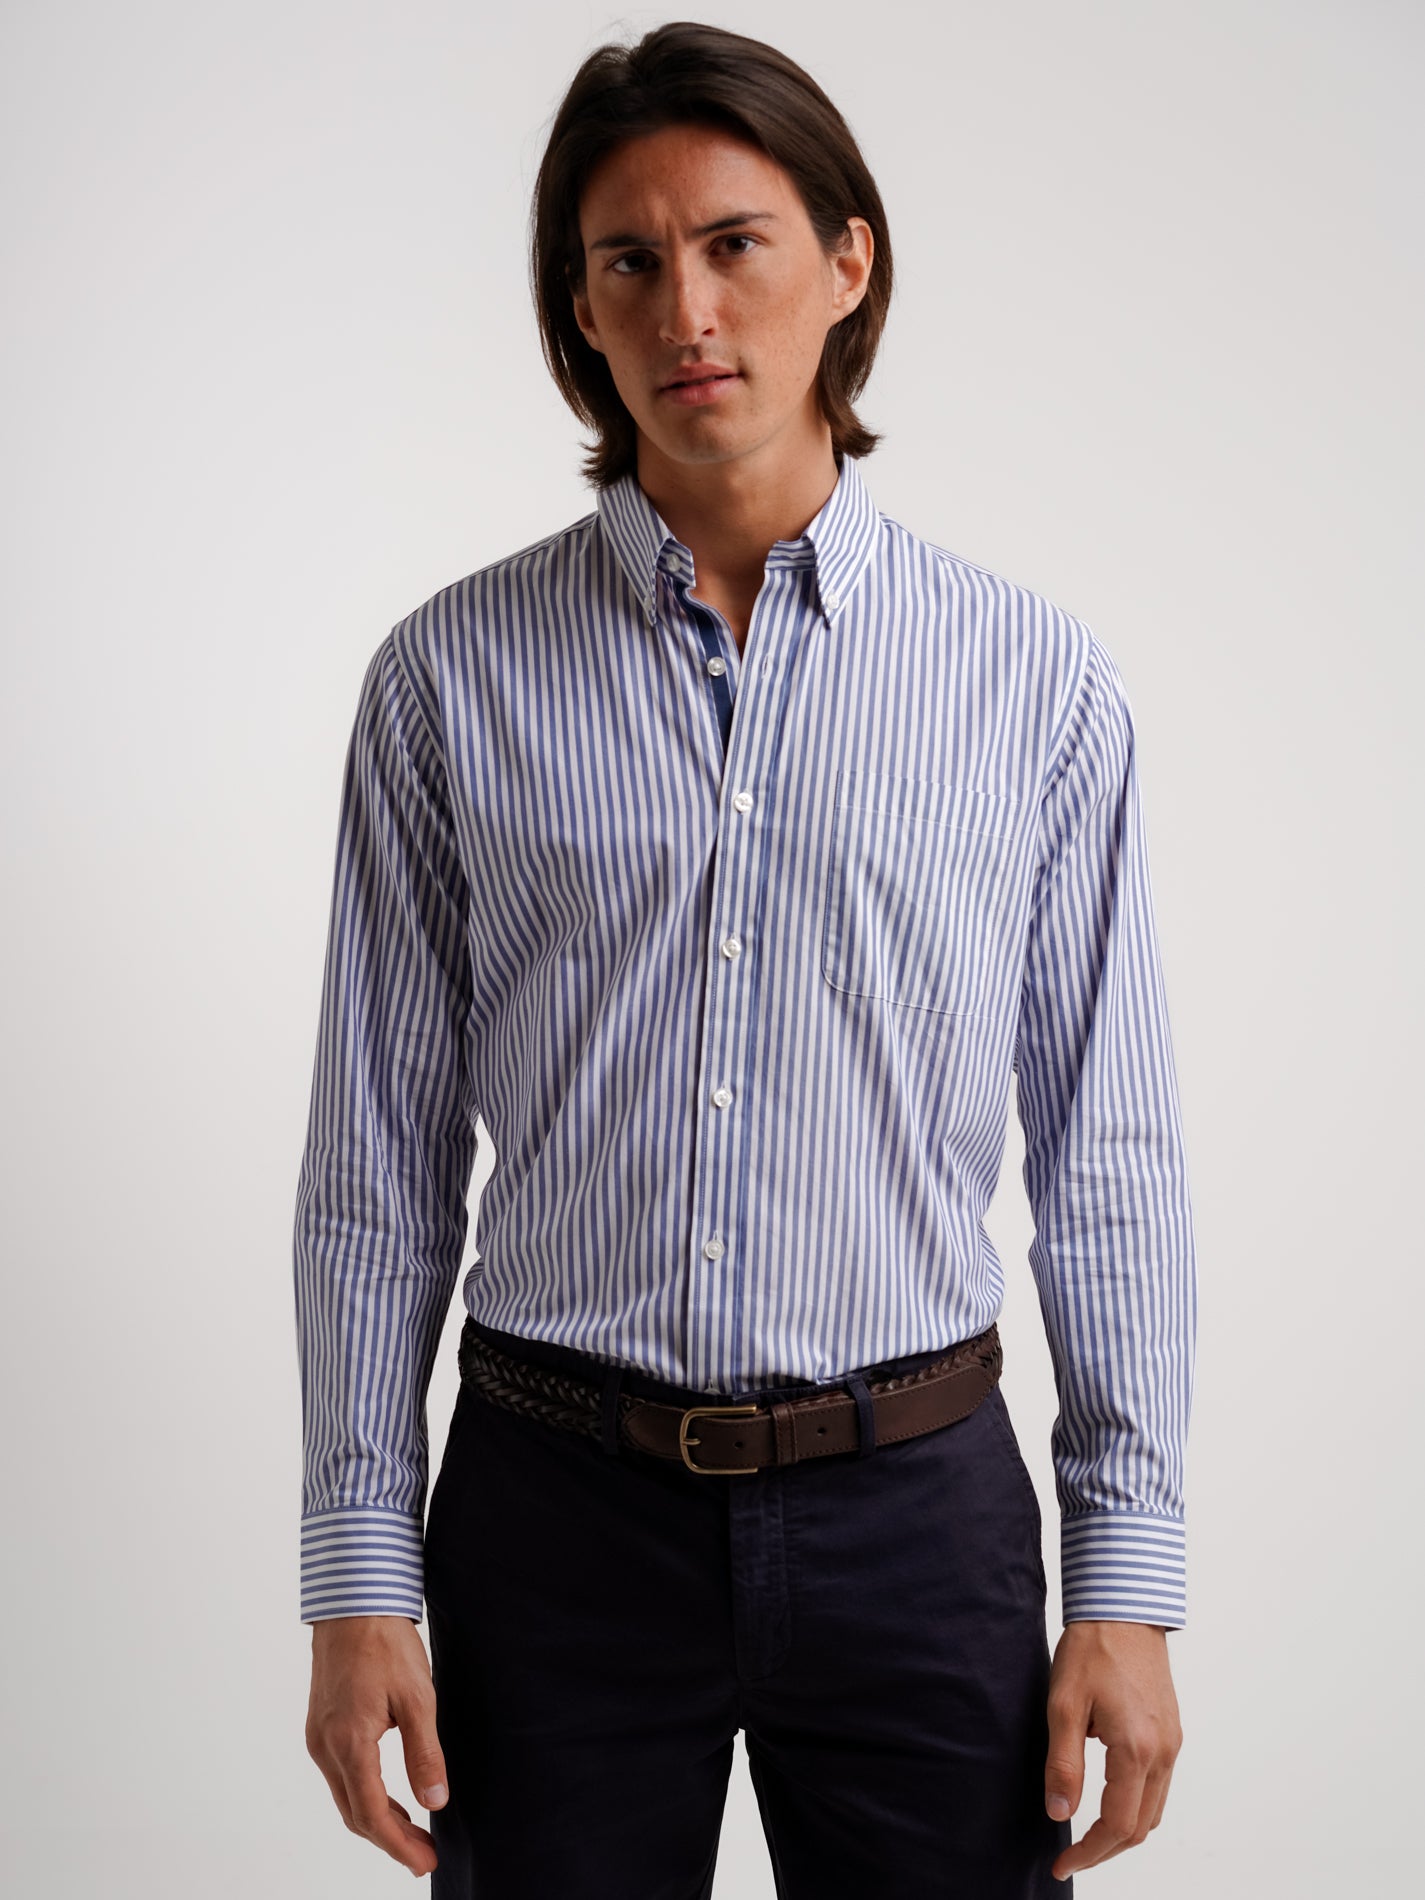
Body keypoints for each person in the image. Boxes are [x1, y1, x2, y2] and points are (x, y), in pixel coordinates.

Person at [293, 20, 1197, 1898]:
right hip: (552, 1520)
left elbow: (1106, 1155)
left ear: (847, 262)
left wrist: (1124, 1582)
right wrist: (359, 1572)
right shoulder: (448, 682)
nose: (686, 309)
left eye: (734, 243)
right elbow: (376, 1164)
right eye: (628, 261)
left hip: (915, 1516)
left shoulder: (1031, 685)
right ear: (581, 310)